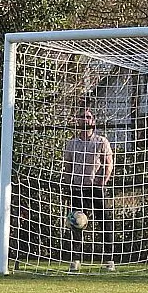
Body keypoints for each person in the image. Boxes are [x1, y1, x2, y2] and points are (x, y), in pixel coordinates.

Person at [61, 108, 115, 268]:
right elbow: (68, 166)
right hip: (78, 188)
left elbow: (109, 163)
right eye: (82, 117)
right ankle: (76, 260)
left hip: (95, 188)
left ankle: (109, 260)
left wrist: (103, 181)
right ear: (77, 120)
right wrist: (68, 184)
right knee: (76, 224)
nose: (85, 119)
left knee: (104, 222)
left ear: (93, 120)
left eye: (88, 117)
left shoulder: (101, 141)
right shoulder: (72, 143)